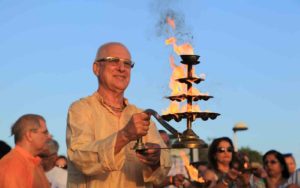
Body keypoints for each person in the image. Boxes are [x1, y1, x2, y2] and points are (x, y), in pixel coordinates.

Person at [66, 42, 171, 188]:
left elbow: (162, 172)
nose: (122, 68)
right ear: (96, 68)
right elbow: (80, 158)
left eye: (127, 64)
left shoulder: (141, 116)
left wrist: (155, 159)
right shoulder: (81, 109)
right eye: (113, 61)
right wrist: (125, 135)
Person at [0, 114, 51, 188]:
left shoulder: (34, 163)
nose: (49, 137)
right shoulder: (13, 165)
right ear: (29, 135)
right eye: (45, 132)